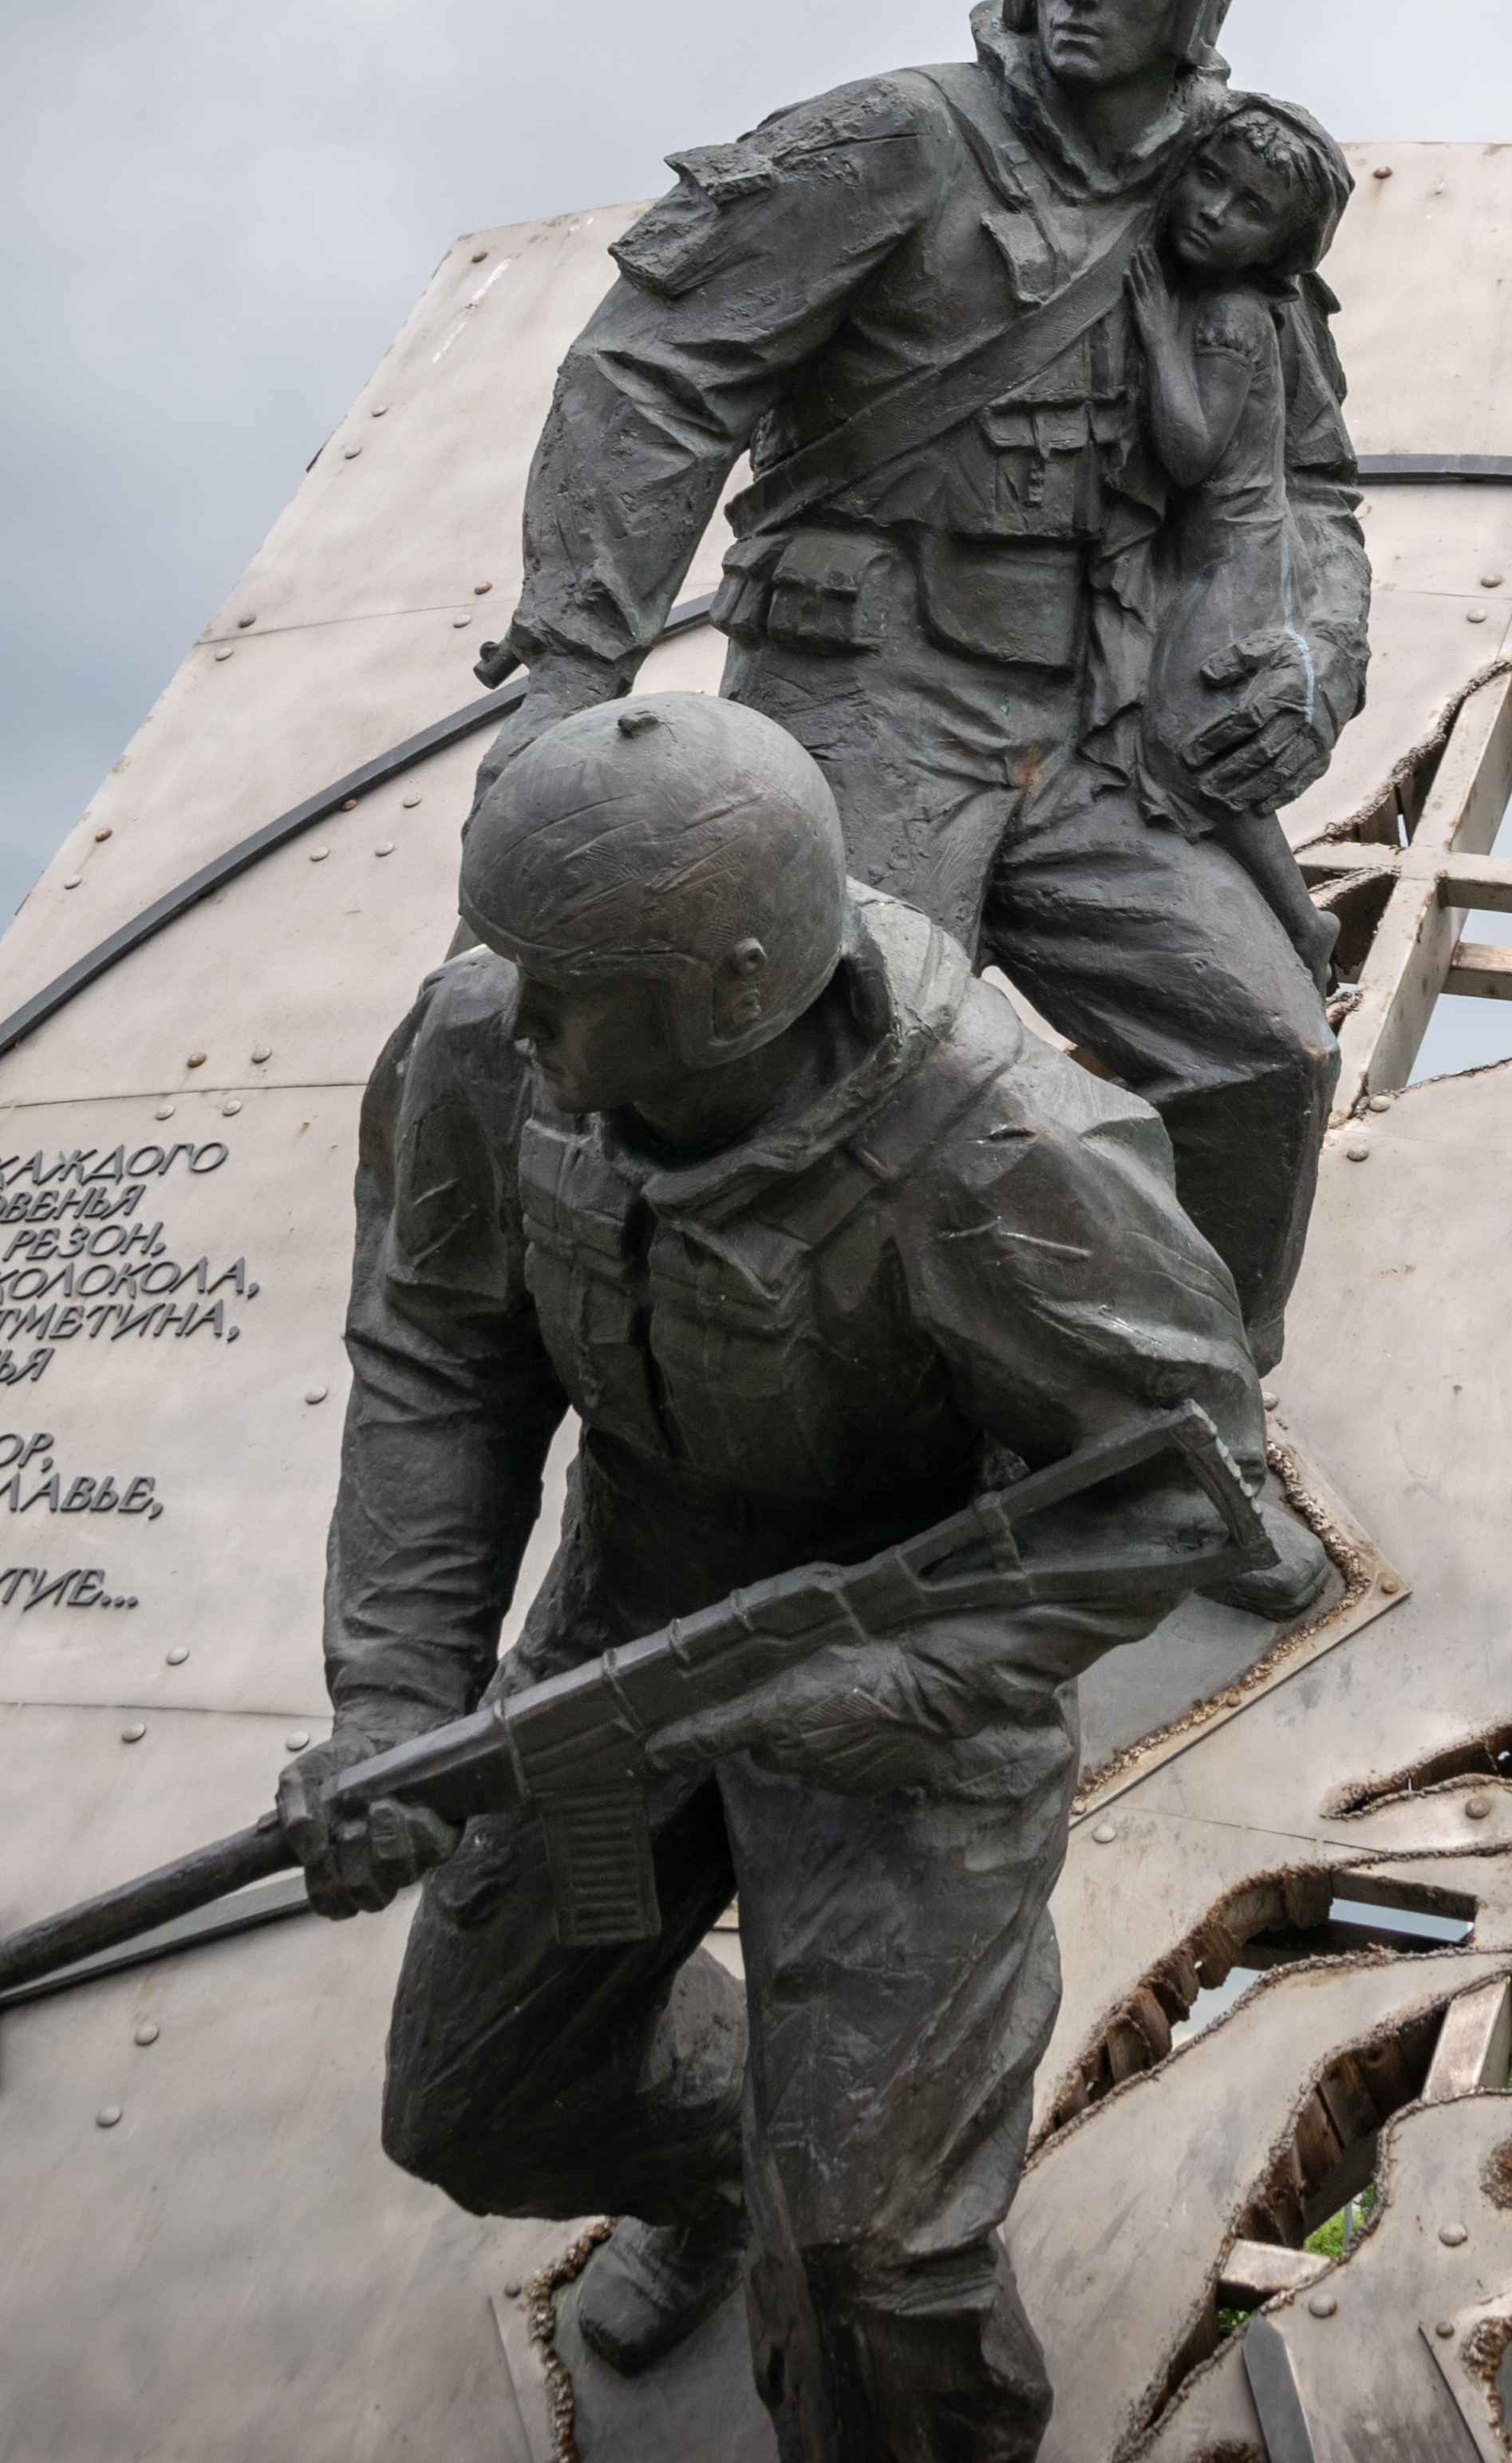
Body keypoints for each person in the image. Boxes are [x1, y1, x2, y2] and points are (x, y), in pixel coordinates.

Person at [287, 691, 1285, 2460]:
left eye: (564, 987)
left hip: (911, 1641)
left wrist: (898, 1687)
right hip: (630, 1610)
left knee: (880, 2277)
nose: (508, 1018)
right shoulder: (484, 1038)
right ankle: (752, 2155)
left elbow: (1179, 1490)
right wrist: (392, 1700)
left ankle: (847, 2230)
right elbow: (440, 1362)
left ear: (732, 982)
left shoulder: (1000, 1154)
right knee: (480, 2100)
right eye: (504, 961)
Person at [479, 0, 1367, 1398]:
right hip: (863, 687)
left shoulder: (1237, 194)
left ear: (1202, 0)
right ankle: (815, 1478)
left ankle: (1183, 1433)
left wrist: (1310, 649)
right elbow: (652, 370)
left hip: (1093, 730)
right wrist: (568, 657)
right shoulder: (896, 135)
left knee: (1263, 1051)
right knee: (845, 1090)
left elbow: (1300, 486)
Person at [1107, 90, 1366, 961]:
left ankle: (1299, 925)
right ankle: (1302, 922)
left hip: (1232, 561)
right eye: (1208, 181)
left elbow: (1188, 450)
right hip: (1211, 556)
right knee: (1190, 739)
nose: (1213, 213)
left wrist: (1152, 332)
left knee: (1190, 737)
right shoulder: (1225, 305)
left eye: (1249, 207)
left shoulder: (1228, 315)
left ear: (1282, 245)